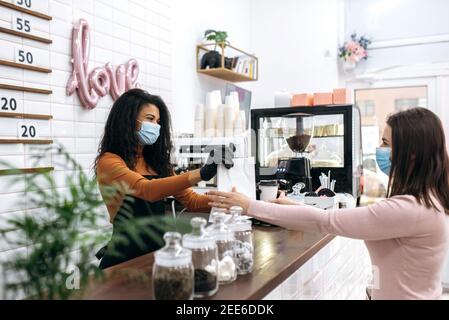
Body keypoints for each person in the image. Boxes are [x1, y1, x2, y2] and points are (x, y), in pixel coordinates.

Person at [208, 107, 449, 300]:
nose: (380, 150)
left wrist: (249, 205)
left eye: (386, 143)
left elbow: (328, 221)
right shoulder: (427, 200)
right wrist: (293, 205)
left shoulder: (410, 209)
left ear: (412, 153)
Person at [94, 89, 234, 269]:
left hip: (155, 257)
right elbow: (147, 190)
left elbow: (192, 201)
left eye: (158, 122)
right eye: (150, 119)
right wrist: (202, 173)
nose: (156, 126)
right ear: (128, 121)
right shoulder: (110, 162)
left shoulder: (157, 164)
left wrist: (232, 201)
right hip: (122, 261)